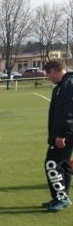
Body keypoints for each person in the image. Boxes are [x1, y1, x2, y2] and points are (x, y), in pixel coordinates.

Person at [42, 59, 73, 212]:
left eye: (48, 73)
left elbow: (69, 113)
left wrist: (62, 135)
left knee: (52, 164)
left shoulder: (69, 85)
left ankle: (61, 198)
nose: (48, 77)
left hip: (65, 135)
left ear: (55, 70)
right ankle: (62, 197)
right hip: (61, 133)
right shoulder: (60, 86)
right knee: (64, 165)